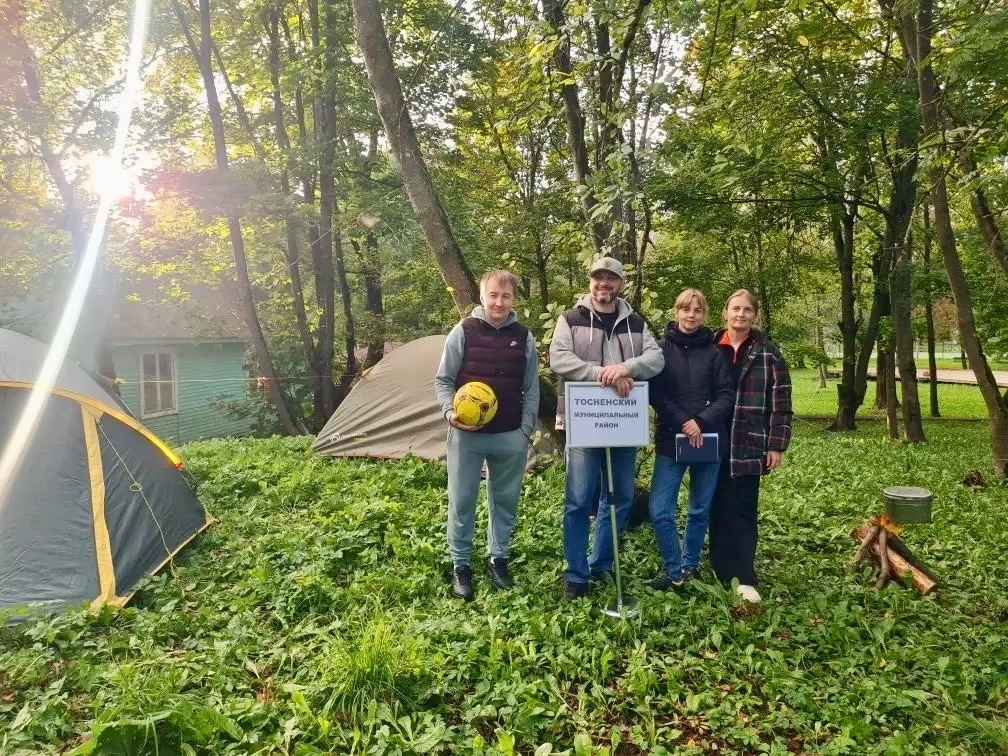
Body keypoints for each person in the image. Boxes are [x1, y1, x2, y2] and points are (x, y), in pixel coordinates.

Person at [549, 256, 664, 600]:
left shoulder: (636, 323)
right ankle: (576, 574)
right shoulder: (570, 319)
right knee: (578, 500)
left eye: (611, 278)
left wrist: (626, 368)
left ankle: (600, 564)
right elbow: (559, 358)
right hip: (584, 423)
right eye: (598, 277)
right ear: (591, 282)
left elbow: (656, 359)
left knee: (619, 497)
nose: (604, 284)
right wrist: (603, 374)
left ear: (620, 284)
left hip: (623, 424)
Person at [434, 269, 540, 602]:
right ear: (482, 296)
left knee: (504, 501)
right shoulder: (463, 331)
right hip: (466, 436)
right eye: (493, 295)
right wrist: (450, 413)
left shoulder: (524, 337)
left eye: (506, 296)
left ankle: (498, 559)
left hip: (510, 435)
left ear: (513, 299)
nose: (499, 302)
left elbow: (531, 389)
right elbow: (443, 381)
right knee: (462, 500)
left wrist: (524, 430)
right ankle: (460, 565)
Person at [709, 289, 793, 603]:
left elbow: (781, 402)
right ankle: (720, 566)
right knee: (715, 504)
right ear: (725, 312)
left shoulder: (768, 353)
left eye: (747, 310)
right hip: (712, 440)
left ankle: (743, 575)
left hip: (749, 441)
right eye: (735, 308)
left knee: (742, 507)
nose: (740, 314)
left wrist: (776, 445)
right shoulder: (709, 346)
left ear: (754, 315)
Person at [648, 288, 734, 590]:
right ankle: (673, 571)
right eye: (686, 309)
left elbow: (726, 395)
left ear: (704, 314)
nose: (691, 315)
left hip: (708, 440)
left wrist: (700, 422)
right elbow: (656, 393)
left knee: (699, 509)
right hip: (671, 439)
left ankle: (690, 568)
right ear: (677, 311)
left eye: (697, 310)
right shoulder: (659, 350)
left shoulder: (714, 353)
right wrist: (684, 422)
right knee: (660, 510)